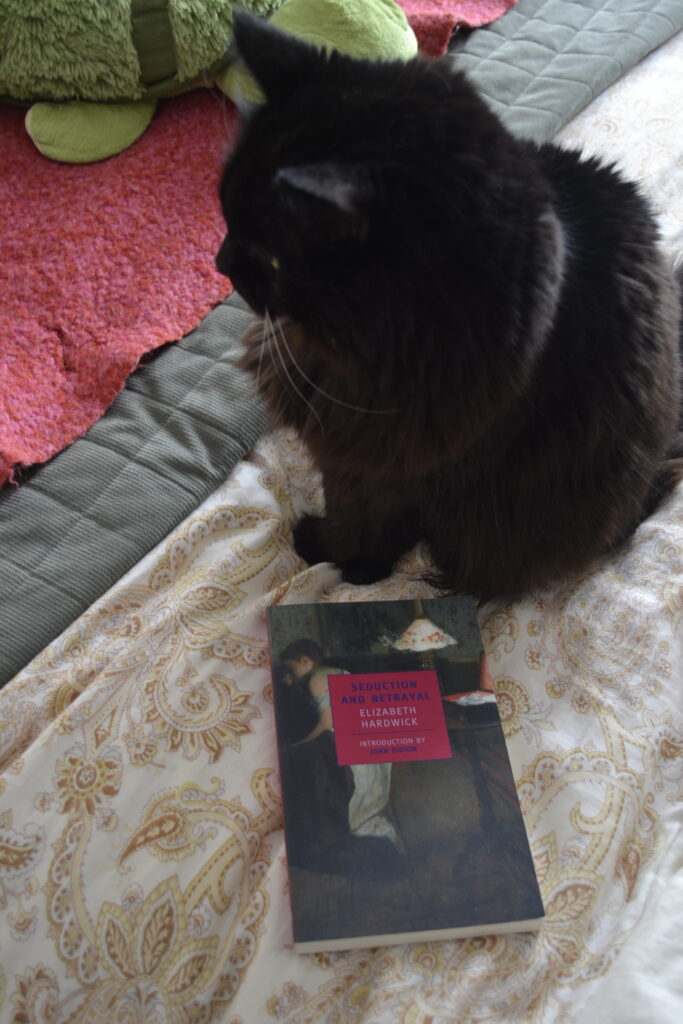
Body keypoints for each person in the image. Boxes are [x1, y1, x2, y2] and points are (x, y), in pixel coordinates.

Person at [280, 639, 400, 848]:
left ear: (304, 660)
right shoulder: (336, 671)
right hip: (368, 737)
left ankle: (323, 834)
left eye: (291, 669)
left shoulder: (317, 679)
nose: (289, 675)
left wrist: (297, 745)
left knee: (300, 759)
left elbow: (326, 724)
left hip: (352, 741)